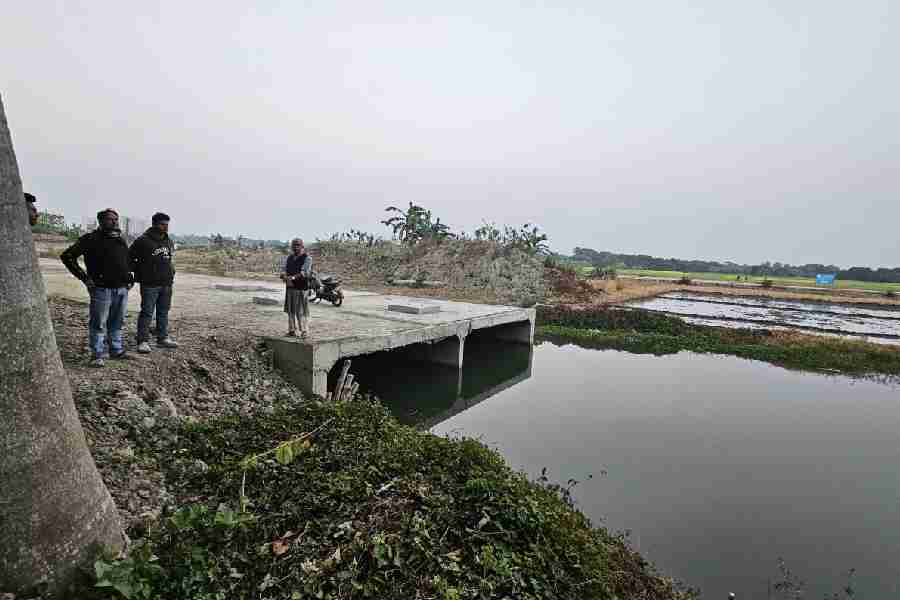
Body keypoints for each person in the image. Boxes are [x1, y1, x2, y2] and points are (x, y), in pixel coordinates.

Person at [60, 208, 134, 367]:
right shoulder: (90, 239)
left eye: (116, 219)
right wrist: (85, 278)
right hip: (101, 289)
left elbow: (125, 261)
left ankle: (116, 350)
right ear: (101, 221)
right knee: (98, 323)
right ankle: (97, 355)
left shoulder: (120, 239)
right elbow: (67, 256)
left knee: (117, 321)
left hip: (121, 289)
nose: (114, 222)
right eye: (110, 219)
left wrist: (129, 278)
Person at [129, 212, 178, 353]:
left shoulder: (168, 240)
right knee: (147, 312)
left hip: (166, 283)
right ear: (154, 224)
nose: (166, 227)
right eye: (162, 224)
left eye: (167, 224)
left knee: (163, 312)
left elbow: (168, 259)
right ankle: (142, 341)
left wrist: (171, 271)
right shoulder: (142, 241)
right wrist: (141, 272)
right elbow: (129, 259)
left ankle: (162, 338)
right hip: (150, 284)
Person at [280, 238, 311, 338]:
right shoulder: (289, 258)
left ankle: (304, 331)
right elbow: (283, 269)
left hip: (301, 288)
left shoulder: (307, 258)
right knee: (290, 310)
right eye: (294, 245)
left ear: (302, 246)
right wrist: (284, 276)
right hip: (290, 288)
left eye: (298, 245)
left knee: (301, 311)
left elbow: (304, 272)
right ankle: (292, 330)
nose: (295, 247)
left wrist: (291, 278)